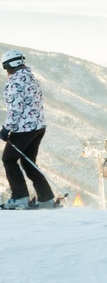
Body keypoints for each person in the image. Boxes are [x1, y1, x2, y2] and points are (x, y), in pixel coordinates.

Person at [1, 50, 57, 210]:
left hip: (23, 129)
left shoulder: (15, 82)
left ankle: (20, 198)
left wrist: (6, 129)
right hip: (38, 127)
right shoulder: (31, 78)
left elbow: (15, 110)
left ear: (10, 65)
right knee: (28, 162)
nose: (6, 70)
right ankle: (46, 199)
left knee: (9, 159)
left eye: (5, 67)